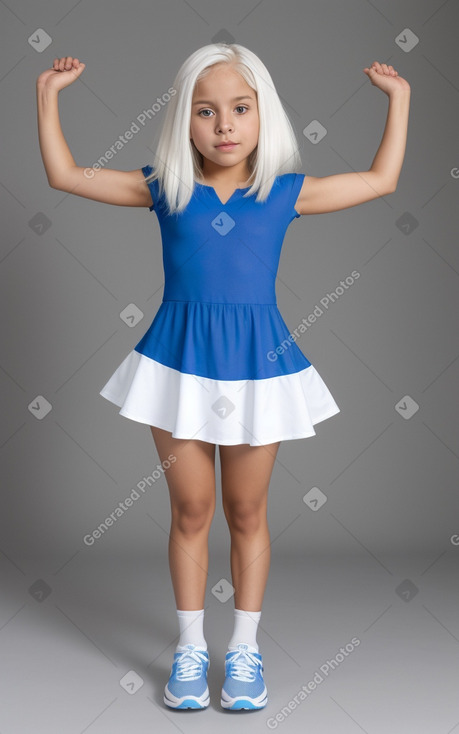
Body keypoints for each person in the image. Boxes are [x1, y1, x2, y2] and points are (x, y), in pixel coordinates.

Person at [36, 43, 410, 711]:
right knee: (191, 510)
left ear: (263, 116)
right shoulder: (164, 186)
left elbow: (381, 181)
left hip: (257, 368)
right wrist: (48, 94)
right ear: (184, 120)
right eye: (206, 112)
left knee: (245, 511)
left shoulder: (284, 191)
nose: (224, 126)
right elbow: (64, 175)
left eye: (240, 109)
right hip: (177, 364)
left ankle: (244, 648)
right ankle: (188, 648)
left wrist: (400, 98)